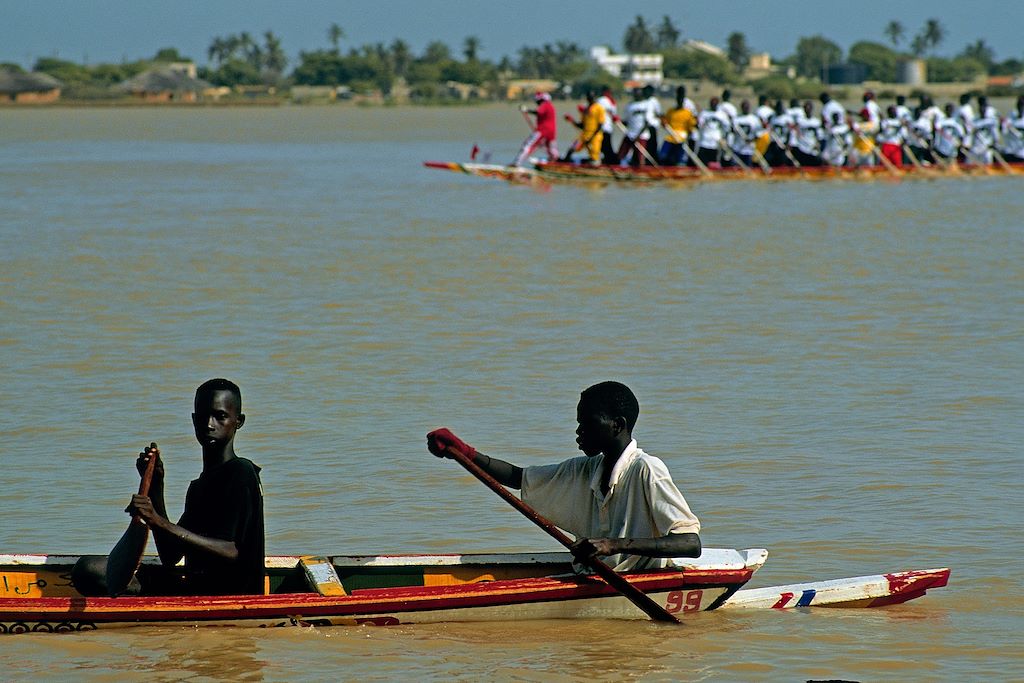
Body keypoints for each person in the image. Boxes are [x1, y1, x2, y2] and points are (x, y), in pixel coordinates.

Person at [426, 381, 701, 572]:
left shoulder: (647, 469)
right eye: (578, 423)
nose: (579, 432)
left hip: (641, 581)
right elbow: (519, 478)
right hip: (594, 576)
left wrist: (611, 545)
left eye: (588, 424)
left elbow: (689, 543)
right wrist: (463, 452)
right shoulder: (585, 469)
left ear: (617, 425)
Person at [72, 379, 266, 597]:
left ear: (238, 421)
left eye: (220, 416)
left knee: (94, 572)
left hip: (230, 596)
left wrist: (157, 521)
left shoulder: (241, 471)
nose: (209, 424)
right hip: (195, 589)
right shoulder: (199, 486)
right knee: (90, 569)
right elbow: (170, 555)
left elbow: (232, 552)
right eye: (202, 416)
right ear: (193, 420)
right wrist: (156, 487)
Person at [513, 91, 558, 166]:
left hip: (543, 130)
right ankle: (555, 162)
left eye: (537, 100)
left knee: (528, 144)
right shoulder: (550, 106)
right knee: (551, 148)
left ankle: (516, 163)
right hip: (552, 131)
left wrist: (526, 110)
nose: (536, 102)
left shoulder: (545, 104)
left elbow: (538, 112)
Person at [564, 90, 605, 165]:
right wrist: (571, 120)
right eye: (588, 97)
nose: (590, 99)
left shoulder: (599, 108)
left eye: (591, 97)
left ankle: (593, 167)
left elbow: (600, 125)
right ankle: (564, 165)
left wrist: (591, 138)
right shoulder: (585, 109)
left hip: (595, 136)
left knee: (594, 157)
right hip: (584, 135)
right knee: (572, 149)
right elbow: (582, 125)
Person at [659, 86, 696, 166]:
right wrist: (663, 121)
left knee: (680, 159)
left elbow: (691, 127)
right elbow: (665, 123)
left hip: (682, 137)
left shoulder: (687, 112)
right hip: (670, 136)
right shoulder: (670, 111)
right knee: (662, 155)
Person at [695, 97, 732, 167]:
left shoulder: (722, 115)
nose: (713, 105)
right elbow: (699, 125)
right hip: (704, 143)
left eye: (715, 104)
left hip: (715, 144)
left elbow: (727, 128)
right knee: (702, 163)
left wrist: (724, 139)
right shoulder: (704, 113)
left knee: (713, 164)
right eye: (712, 104)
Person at [729, 99, 763, 168]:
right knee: (735, 168)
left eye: (747, 107)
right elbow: (732, 131)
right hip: (737, 148)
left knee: (748, 168)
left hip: (748, 149)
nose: (746, 109)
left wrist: (751, 140)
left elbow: (759, 134)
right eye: (744, 107)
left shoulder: (754, 119)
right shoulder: (736, 119)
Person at [596, 87, 618, 164]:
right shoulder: (611, 101)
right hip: (608, 128)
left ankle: (611, 162)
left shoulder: (601, 100)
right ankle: (610, 161)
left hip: (602, 128)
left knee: (605, 147)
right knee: (606, 147)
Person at [999, 95, 1024, 163]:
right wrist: (1001, 125)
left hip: (1022, 154)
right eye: (1019, 105)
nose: (1021, 108)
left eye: (1022, 106)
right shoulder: (1010, 118)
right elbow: (1003, 132)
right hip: (1010, 153)